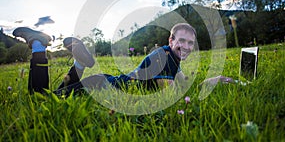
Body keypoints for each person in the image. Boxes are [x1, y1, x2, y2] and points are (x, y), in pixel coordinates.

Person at [13, 23, 197, 96]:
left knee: (56, 98)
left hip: (104, 82)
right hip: (100, 88)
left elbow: (182, 82)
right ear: (170, 40)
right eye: (181, 41)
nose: (186, 47)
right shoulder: (161, 57)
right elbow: (172, 92)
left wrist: (208, 82)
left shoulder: (171, 57)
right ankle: (38, 43)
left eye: (190, 43)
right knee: (41, 99)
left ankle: (80, 64)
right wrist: (193, 96)